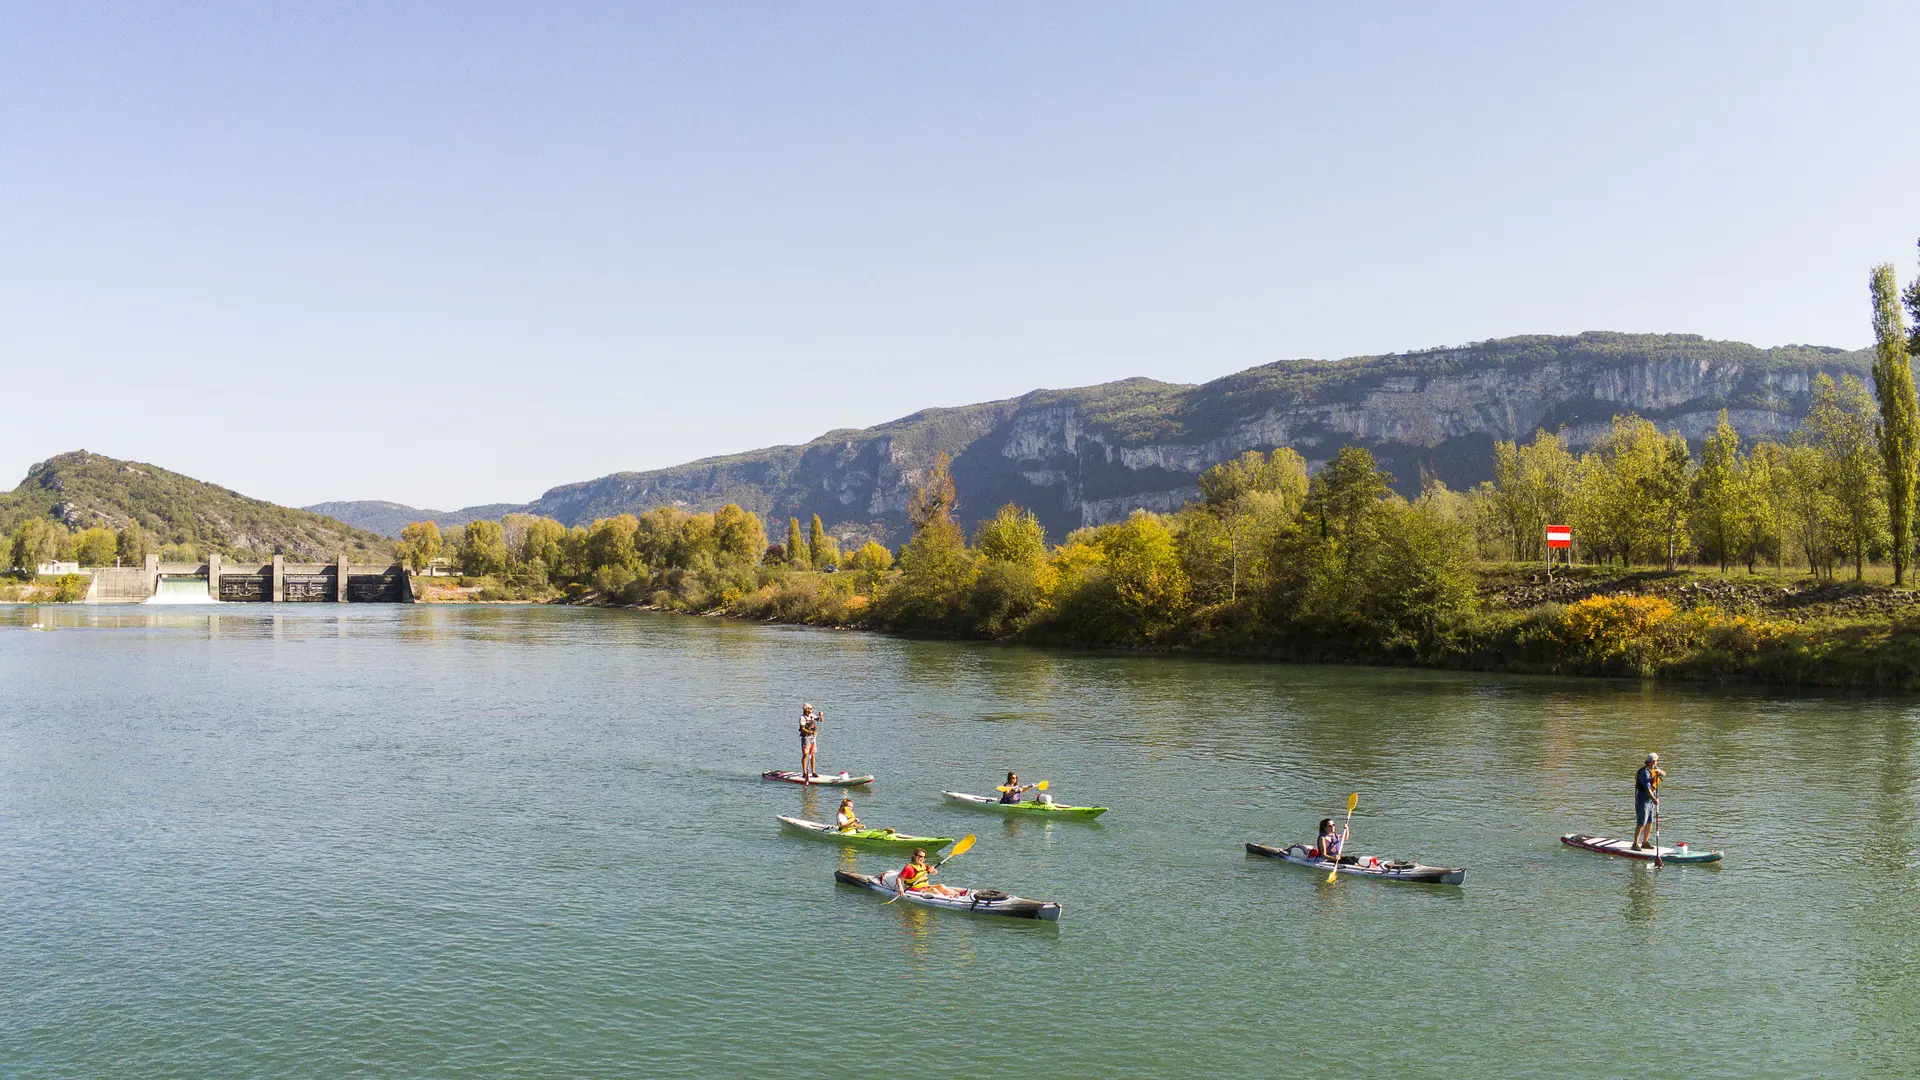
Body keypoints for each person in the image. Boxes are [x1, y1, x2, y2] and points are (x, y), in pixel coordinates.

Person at [895, 848, 965, 899]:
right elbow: (899, 878)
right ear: (914, 855)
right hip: (915, 889)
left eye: (924, 857)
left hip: (925, 887)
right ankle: (949, 899)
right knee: (933, 890)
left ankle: (957, 894)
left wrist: (934, 871)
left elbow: (934, 873)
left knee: (941, 886)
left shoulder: (924, 865)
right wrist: (900, 888)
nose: (922, 858)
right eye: (920, 856)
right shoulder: (908, 868)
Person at [1631, 753, 1665, 849]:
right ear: (1653, 761)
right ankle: (1635, 844)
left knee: (1650, 821)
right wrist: (1654, 799)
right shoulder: (1644, 772)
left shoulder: (1654, 768)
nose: (1657, 762)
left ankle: (1645, 842)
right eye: (1656, 760)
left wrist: (1660, 772)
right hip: (1643, 799)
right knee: (1641, 822)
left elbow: (1664, 773)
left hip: (1650, 800)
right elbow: (1647, 789)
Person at [798, 704, 819, 779]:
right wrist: (811, 732)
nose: (811, 710)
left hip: (813, 738)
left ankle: (813, 772)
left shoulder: (812, 715)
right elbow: (802, 728)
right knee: (806, 754)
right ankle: (805, 773)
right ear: (806, 709)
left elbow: (820, 720)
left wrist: (821, 715)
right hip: (806, 737)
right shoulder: (802, 718)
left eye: (811, 709)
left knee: (812, 754)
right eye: (810, 709)